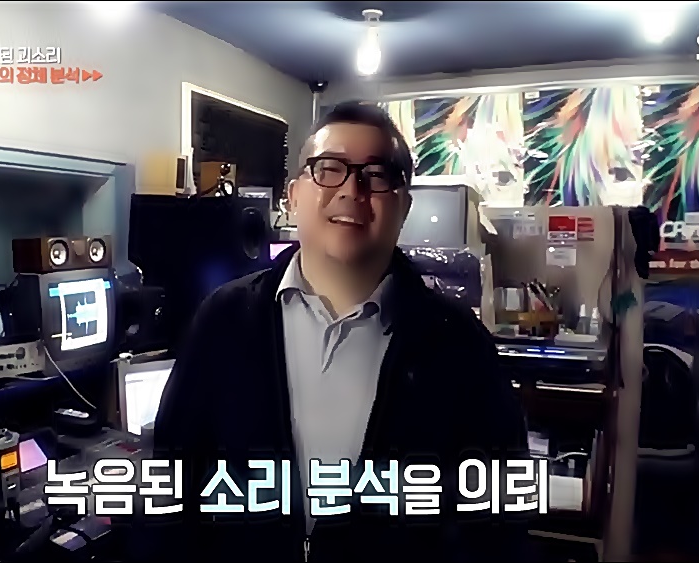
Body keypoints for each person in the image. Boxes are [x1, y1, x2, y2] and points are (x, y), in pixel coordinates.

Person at [141, 102, 531, 562]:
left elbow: (498, 516)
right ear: (293, 196)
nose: (351, 189)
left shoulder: (459, 344)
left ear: (403, 206)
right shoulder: (223, 319)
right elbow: (172, 479)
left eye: (377, 175)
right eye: (328, 169)